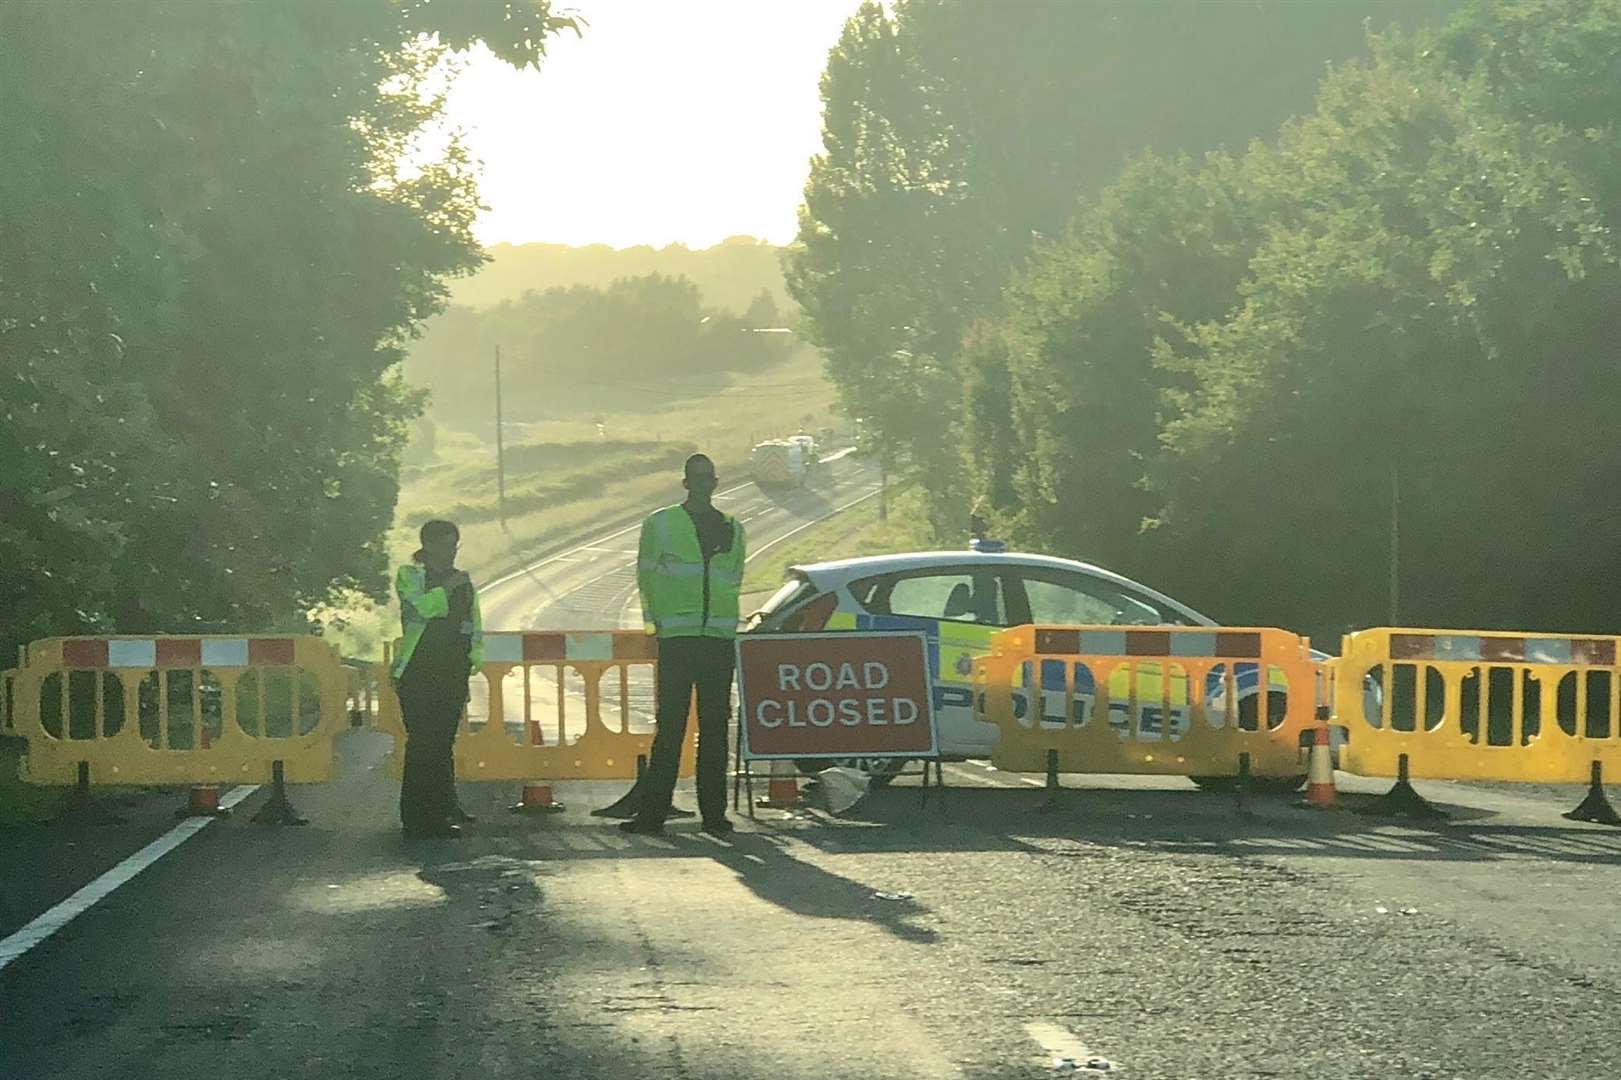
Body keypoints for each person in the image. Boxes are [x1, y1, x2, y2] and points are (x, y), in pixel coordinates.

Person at [621, 454, 746, 837]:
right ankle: (652, 814)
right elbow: (646, 576)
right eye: (697, 478)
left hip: (717, 641)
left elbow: (734, 578)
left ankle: (714, 816)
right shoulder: (660, 524)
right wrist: (655, 623)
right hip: (677, 639)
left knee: (714, 730)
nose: (703, 484)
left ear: (715, 482)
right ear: (686, 482)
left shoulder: (732, 528)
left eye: (708, 477)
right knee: (671, 727)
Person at [392, 519, 483, 839]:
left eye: (454, 547)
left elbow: (472, 622)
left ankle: (444, 808)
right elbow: (422, 609)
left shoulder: (463, 581)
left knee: (443, 743)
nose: (451, 553)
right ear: (428, 546)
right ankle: (418, 818)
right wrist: (448, 588)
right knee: (422, 745)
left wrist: (472, 661)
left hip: (451, 672)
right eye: (445, 546)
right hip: (418, 671)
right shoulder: (410, 575)